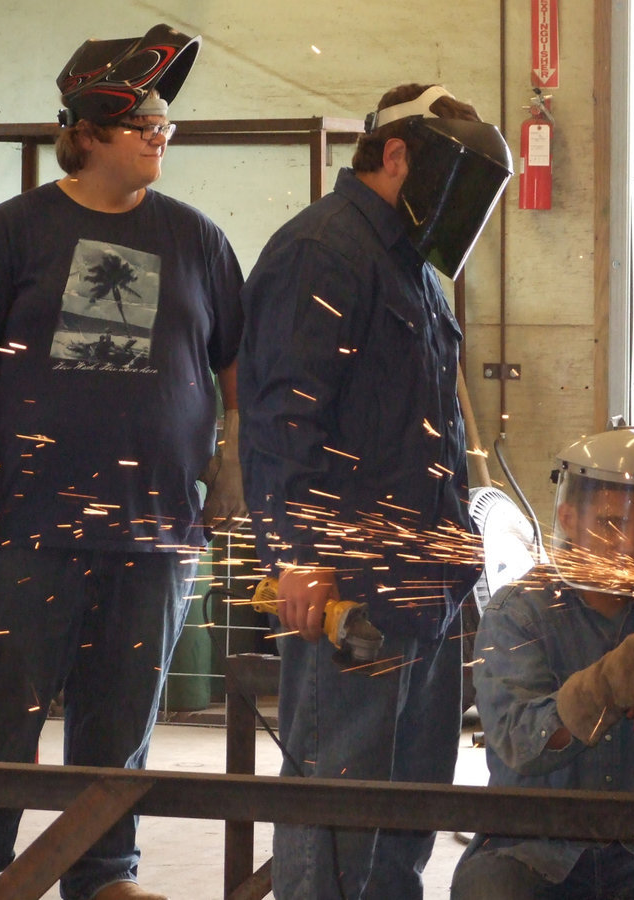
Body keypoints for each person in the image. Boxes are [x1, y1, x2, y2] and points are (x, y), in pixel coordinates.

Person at [0, 23, 244, 900]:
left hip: (155, 530)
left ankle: (105, 873)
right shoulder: (14, 230)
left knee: (121, 722)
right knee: (2, 718)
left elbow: (234, 365)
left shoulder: (198, 239)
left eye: (165, 126)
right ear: (92, 126)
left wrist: (234, 458)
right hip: (27, 527)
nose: (160, 136)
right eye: (145, 121)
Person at [238, 83, 510, 899]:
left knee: (402, 815)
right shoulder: (322, 251)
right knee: (339, 824)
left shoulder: (411, 269)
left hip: (423, 585)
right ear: (396, 155)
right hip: (350, 590)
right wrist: (297, 558)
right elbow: (281, 418)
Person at [451, 426, 634, 900]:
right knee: (490, 892)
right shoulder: (517, 613)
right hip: (533, 846)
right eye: (611, 525)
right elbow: (519, 743)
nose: (628, 547)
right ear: (568, 517)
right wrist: (606, 688)